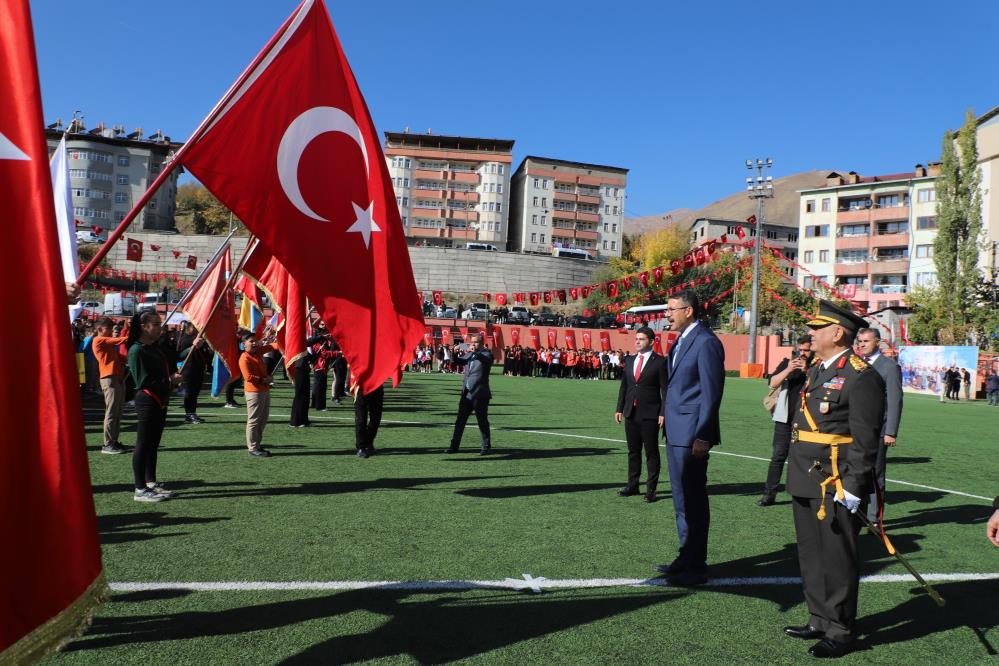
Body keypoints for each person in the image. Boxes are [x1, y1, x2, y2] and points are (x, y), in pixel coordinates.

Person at [782, 300, 885, 659]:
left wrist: (855, 487)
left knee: (838, 557)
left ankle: (841, 630)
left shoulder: (861, 375)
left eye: (817, 328)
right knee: (811, 553)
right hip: (805, 474)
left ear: (837, 332)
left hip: (836, 481)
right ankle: (819, 618)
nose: (810, 333)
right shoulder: (816, 369)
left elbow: (865, 438)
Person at [655, 289, 725, 587]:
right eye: (667, 309)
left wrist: (703, 436)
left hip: (692, 435)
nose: (667, 314)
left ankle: (696, 566)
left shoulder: (706, 342)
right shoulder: (681, 340)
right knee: (681, 500)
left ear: (689, 310)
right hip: (675, 431)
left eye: (672, 309)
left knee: (694, 500)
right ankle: (686, 555)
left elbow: (711, 394)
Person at [126, 312, 181, 502]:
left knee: (153, 444)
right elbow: (143, 381)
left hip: (160, 399)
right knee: (143, 443)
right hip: (147, 400)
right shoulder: (136, 350)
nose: (160, 328)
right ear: (143, 326)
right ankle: (139, 488)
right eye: (156, 324)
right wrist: (169, 380)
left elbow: (172, 360)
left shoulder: (155, 348)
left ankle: (150, 483)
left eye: (160, 324)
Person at [854, 328, 903, 525]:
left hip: (877, 430)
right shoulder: (855, 364)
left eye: (866, 341)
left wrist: (890, 431)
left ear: (878, 342)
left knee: (875, 474)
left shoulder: (889, 367)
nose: (862, 344)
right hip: (854, 429)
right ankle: (856, 513)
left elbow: (895, 401)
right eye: (860, 341)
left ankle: (875, 519)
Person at [758, 334, 814, 506]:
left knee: (803, 459)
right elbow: (772, 383)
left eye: (807, 350)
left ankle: (803, 495)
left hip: (806, 420)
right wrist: (789, 369)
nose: (803, 354)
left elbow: (818, 385)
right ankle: (769, 494)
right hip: (784, 418)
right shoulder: (787, 362)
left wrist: (806, 371)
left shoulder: (818, 366)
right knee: (778, 456)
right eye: (801, 350)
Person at [615, 327, 667, 503]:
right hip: (631, 412)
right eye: (636, 338)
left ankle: (651, 489)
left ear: (651, 342)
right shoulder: (630, 360)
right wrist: (619, 408)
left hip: (650, 414)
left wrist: (663, 412)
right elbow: (624, 386)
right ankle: (633, 485)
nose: (637, 341)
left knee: (651, 453)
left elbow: (665, 390)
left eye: (642, 339)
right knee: (633, 451)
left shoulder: (660, 362)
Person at [447, 333, 493, 455]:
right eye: (472, 342)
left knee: (482, 422)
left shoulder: (487, 354)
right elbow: (457, 361)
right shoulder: (470, 354)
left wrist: (475, 352)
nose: (473, 344)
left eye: (475, 342)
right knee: (460, 422)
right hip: (466, 393)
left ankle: (486, 447)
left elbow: (486, 361)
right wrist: (454, 352)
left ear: (482, 342)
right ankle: (454, 446)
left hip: (480, 394)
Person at [92, 317, 131, 454]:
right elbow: (121, 340)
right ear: (100, 329)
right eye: (108, 328)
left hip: (117, 378)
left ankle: (113, 441)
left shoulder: (107, 343)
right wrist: (133, 333)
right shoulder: (99, 340)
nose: (110, 331)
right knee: (112, 412)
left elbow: (118, 356)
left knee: (118, 411)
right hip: (109, 379)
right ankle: (107, 444)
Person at [239, 331, 276, 457]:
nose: (255, 343)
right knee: (254, 420)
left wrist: (282, 340)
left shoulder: (257, 353)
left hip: (264, 390)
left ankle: (257, 443)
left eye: (255, 341)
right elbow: (248, 377)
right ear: (244, 344)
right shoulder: (244, 358)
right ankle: (253, 447)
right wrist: (264, 380)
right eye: (251, 341)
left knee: (263, 420)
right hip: (254, 392)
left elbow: (272, 346)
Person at [177, 322, 211, 424]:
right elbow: (181, 354)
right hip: (189, 369)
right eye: (196, 326)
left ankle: (193, 413)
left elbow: (205, 353)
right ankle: (188, 414)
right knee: (190, 393)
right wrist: (192, 346)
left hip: (199, 369)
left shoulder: (200, 339)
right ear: (190, 327)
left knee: (195, 393)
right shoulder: (185, 339)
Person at [354, 384, 384, 458]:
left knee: (376, 418)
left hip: (377, 386)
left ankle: (368, 441)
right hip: (361, 387)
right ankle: (360, 447)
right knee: (361, 419)